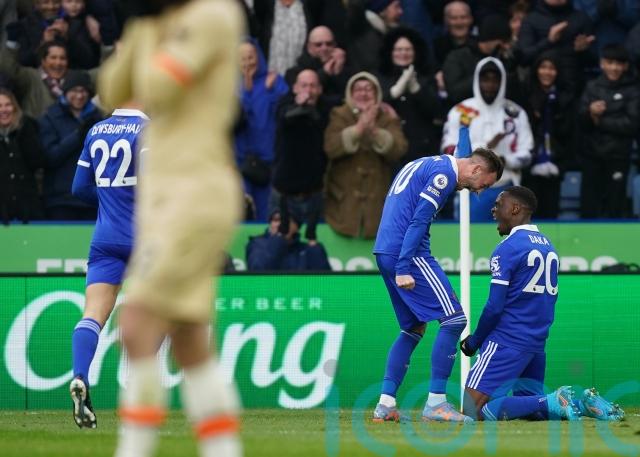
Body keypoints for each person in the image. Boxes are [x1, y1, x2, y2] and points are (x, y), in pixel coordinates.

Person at [98, 0, 245, 456]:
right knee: (189, 340)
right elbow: (110, 91)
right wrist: (141, 24)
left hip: (195, 195)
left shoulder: (213, 14)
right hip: (163, 202)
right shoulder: (157, 22)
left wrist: (147, 34)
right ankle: (223, 449)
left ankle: (133, 450)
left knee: (137, 322)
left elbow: (158, 87)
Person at [460, 186, 624, 422]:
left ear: (515, 208)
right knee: (533, 411)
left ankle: (552, 400)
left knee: (470, 410)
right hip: (535, 343)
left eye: (498, 205)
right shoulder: (548, 246)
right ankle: (583, 405)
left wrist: (475, 341)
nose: (493, 210)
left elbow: (494, 307)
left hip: (506, 341)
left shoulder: (507, 248)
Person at [372, 139, 504, 423]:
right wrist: (404, 266)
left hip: (384, 249)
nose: (479, 191)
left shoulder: (425, 163)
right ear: (476, 169)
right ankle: (436, 404)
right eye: (483, 184)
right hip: (406, 253)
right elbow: (418, 220)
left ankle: (385, 404)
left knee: (413, 328)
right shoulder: (443, 176)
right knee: (454, 320)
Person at [68, 105, 148, 429]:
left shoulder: (96, 130)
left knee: (92, 314)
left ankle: (80, 376)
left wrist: (110, 198)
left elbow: (78, 188)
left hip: (105, 237)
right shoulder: (149, 131)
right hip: (144, 238)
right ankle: (138, 392)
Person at [441, 57, 533, 221]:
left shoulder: (516, 113)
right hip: (469, 191)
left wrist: (505, 160)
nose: (490, 85)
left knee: (508, 235)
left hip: (508, 186)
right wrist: (484, 149)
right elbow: (447, 151)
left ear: (502, 82)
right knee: (470, 235)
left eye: (495, 80)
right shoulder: (460, 111)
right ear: (477, 80)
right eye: (485, 80)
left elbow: (528, 152)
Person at [323, 71, 407, 239]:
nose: (363, 93)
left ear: (377, 93)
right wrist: (358, 129)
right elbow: (330, 147)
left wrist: (374, 131)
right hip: (342, 204)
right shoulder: (339, 114)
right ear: (350, 93)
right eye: (358, 89)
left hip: (377, 204)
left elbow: (400, 149)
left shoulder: (387, 117)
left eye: (369, 89)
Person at [577, 43, 639, 219]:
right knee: (589, 207)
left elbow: (631, 124)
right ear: (602, 63)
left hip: (618, 157)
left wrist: (600, 120)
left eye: (619, 63)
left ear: (625, 66)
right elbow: (581, 121)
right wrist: (590, 113)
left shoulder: (633, 90)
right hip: (592, 157)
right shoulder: (592, 87)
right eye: (610, 62)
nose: (614, 68)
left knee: (615, 207)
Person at [271, 69, 329, 244]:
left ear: (320, 89)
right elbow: (284, 117)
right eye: (304, 86)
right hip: (284, 195)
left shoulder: (325, 109)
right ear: (295, 88)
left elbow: (320, 119)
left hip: (315, 194)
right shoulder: (284, 104)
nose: (308, 91)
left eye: (313, 86)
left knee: (314, 246)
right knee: (279, 244)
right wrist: (299, 106)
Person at [39, 69, 103, 220]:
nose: (79, 96)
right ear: (65, 91)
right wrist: (77, 136)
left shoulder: (98, 118)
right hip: (60, 200)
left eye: (83, 91)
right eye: (74, 90)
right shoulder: (50, 117)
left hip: (91, 199)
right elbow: (50, 157)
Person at [0, 87, 46, 224]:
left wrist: (23, 134)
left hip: (27, 208)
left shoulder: (27, 129)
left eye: (8, 105)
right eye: (0, 106)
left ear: (15, 108)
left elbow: (38, 161)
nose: (4, 110)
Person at [246, 210, 331, 271]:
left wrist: (314, 248)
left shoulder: (307, 250)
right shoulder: (257, 244)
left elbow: (325, 283)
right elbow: (258, 272)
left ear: (296, 227)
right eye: (276, 220)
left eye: (285, 221)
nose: (280, 225)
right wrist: (279, 238)